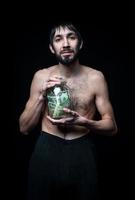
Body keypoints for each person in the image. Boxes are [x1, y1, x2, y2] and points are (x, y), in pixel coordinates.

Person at [19, 22, 117, 200]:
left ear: (80, 43)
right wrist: (41, 96)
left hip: (83, 150)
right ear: (51, 47)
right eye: (58, 39)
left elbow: (112, 127)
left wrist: (84, 122)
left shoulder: (96, 77)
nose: (65, 44)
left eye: (71, 37)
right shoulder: (41, 76)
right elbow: (24, 128)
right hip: (46, 149)